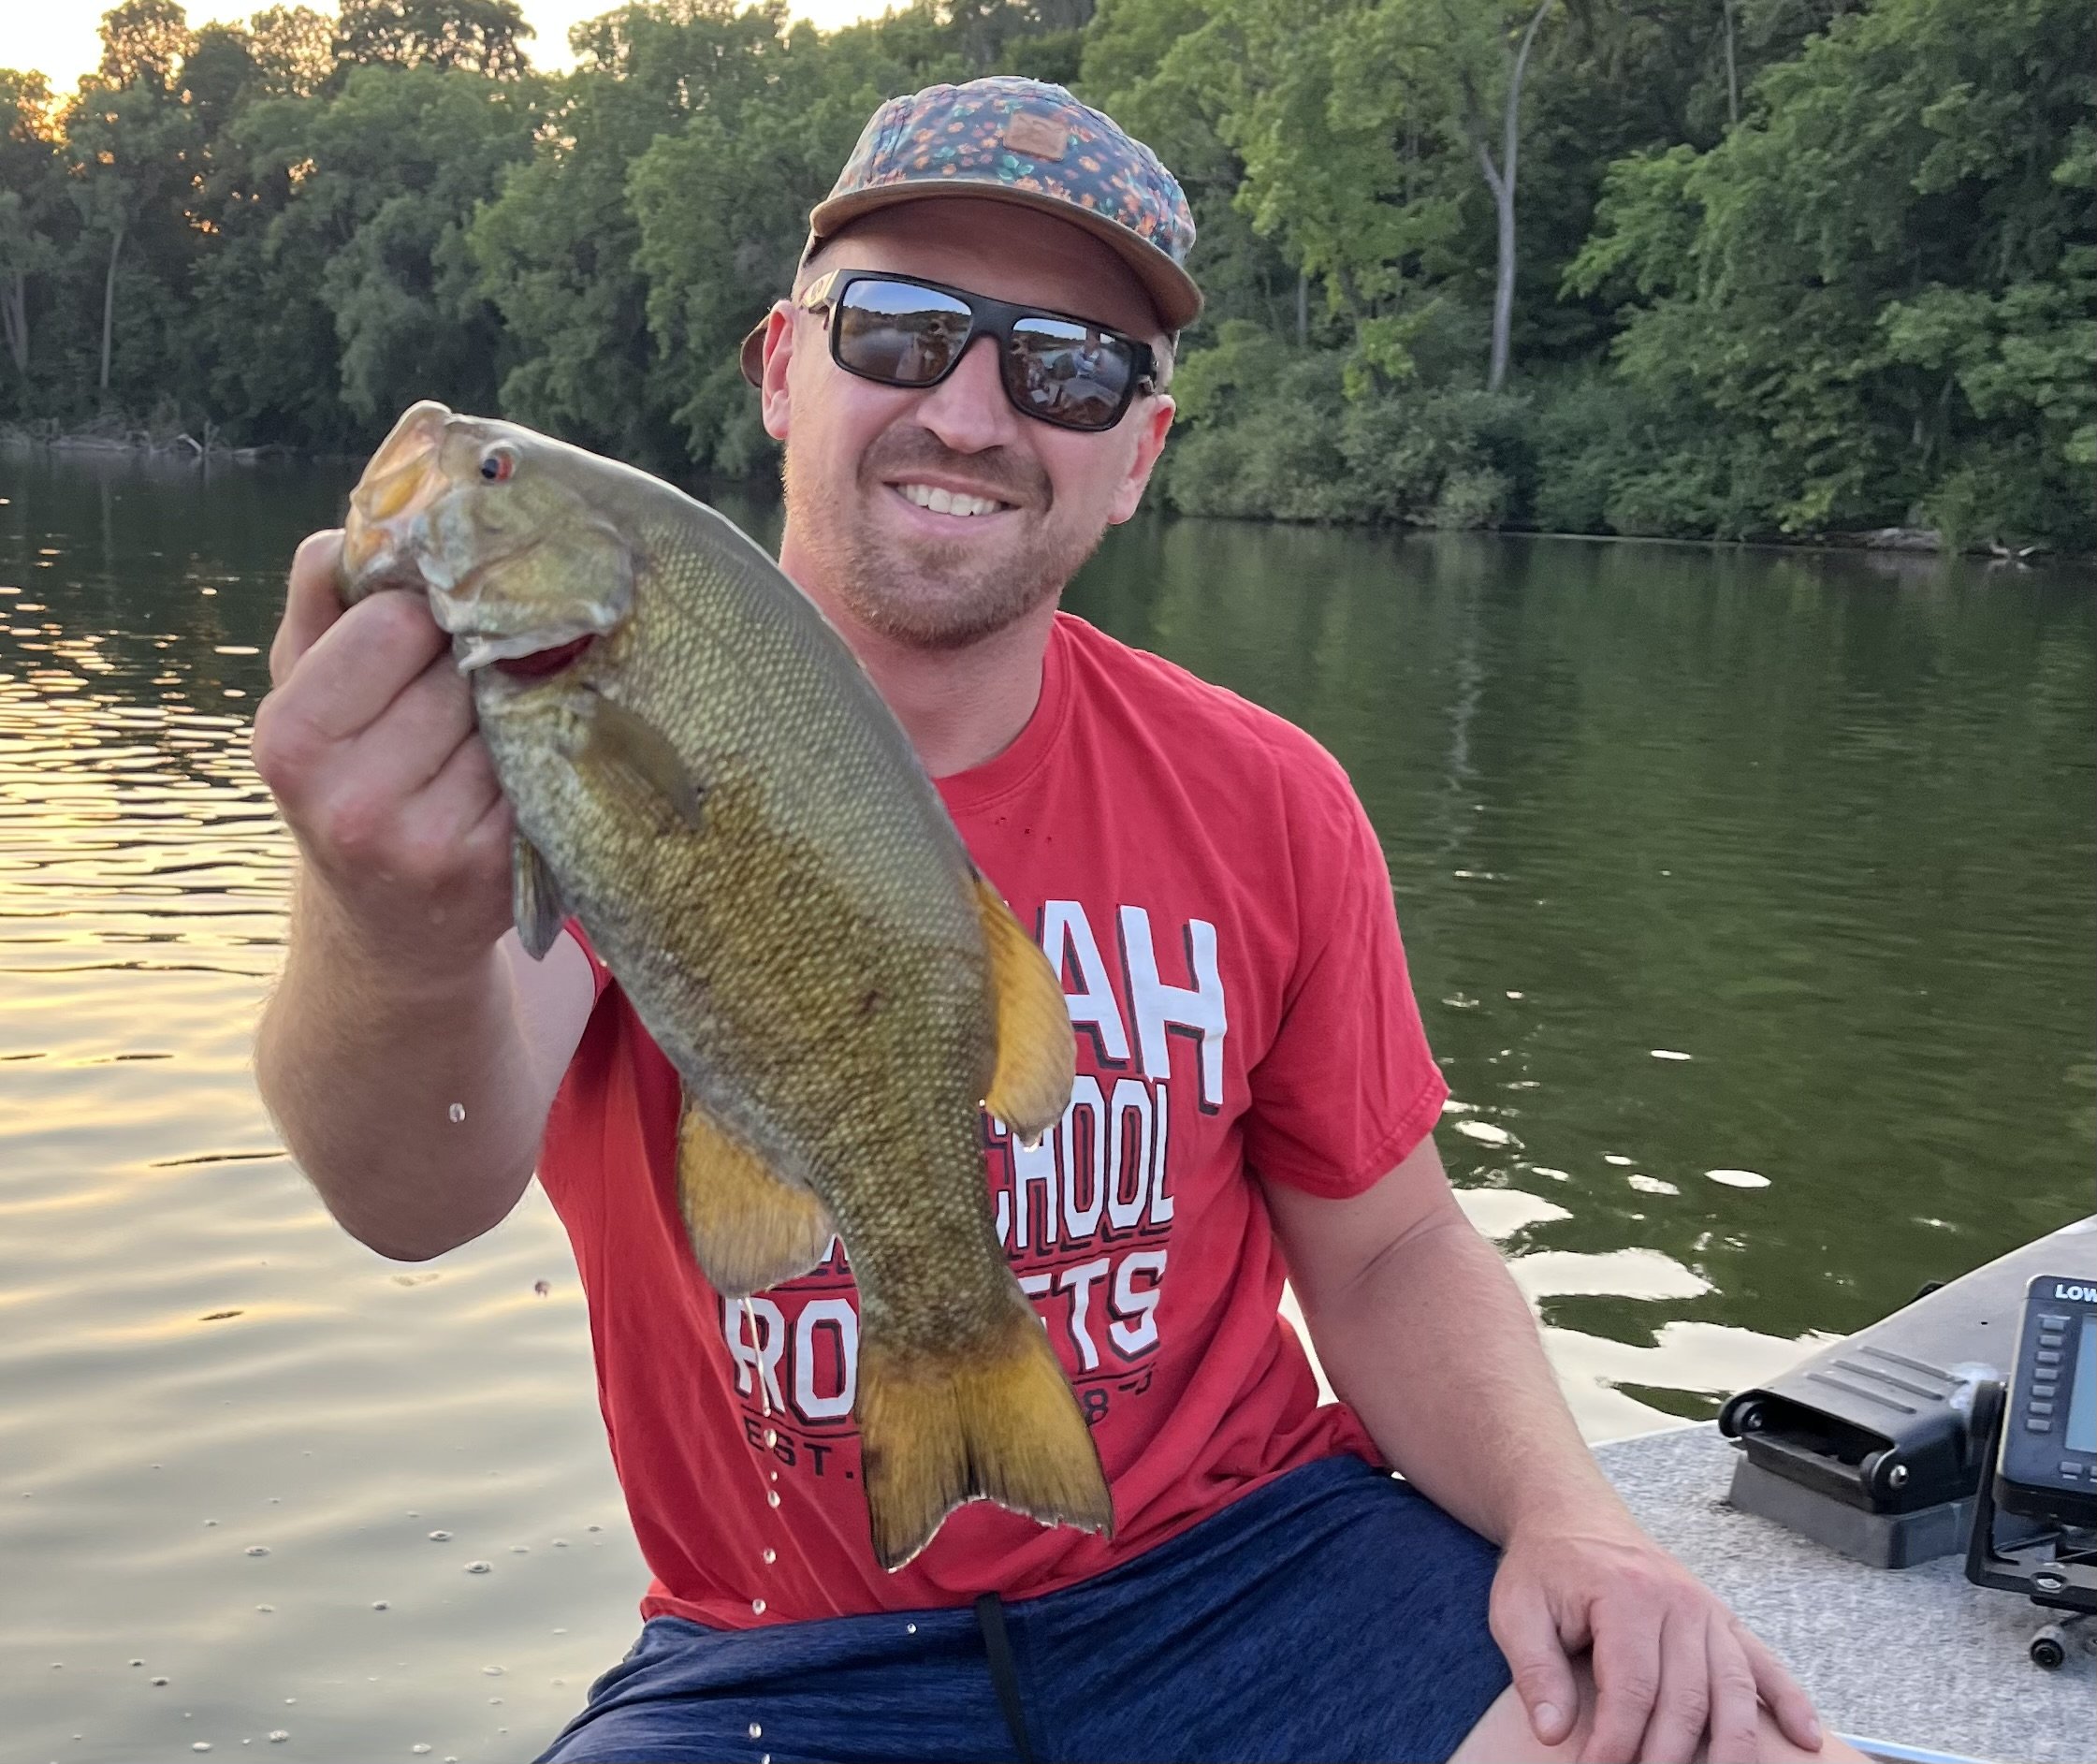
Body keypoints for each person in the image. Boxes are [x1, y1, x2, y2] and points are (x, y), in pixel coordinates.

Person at [251, 78, 1862, 1764]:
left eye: (1069, 365)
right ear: (783, 368)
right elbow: (413, 1195)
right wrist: (390, 927)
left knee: (1713, 1746)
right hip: (784, 1651)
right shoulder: (555, 754)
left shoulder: (1266, 794)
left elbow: (1386, 1246)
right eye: (898, 328)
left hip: (1258, 1568)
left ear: (1138, 456)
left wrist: (1575, 1516)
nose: (969, 409)